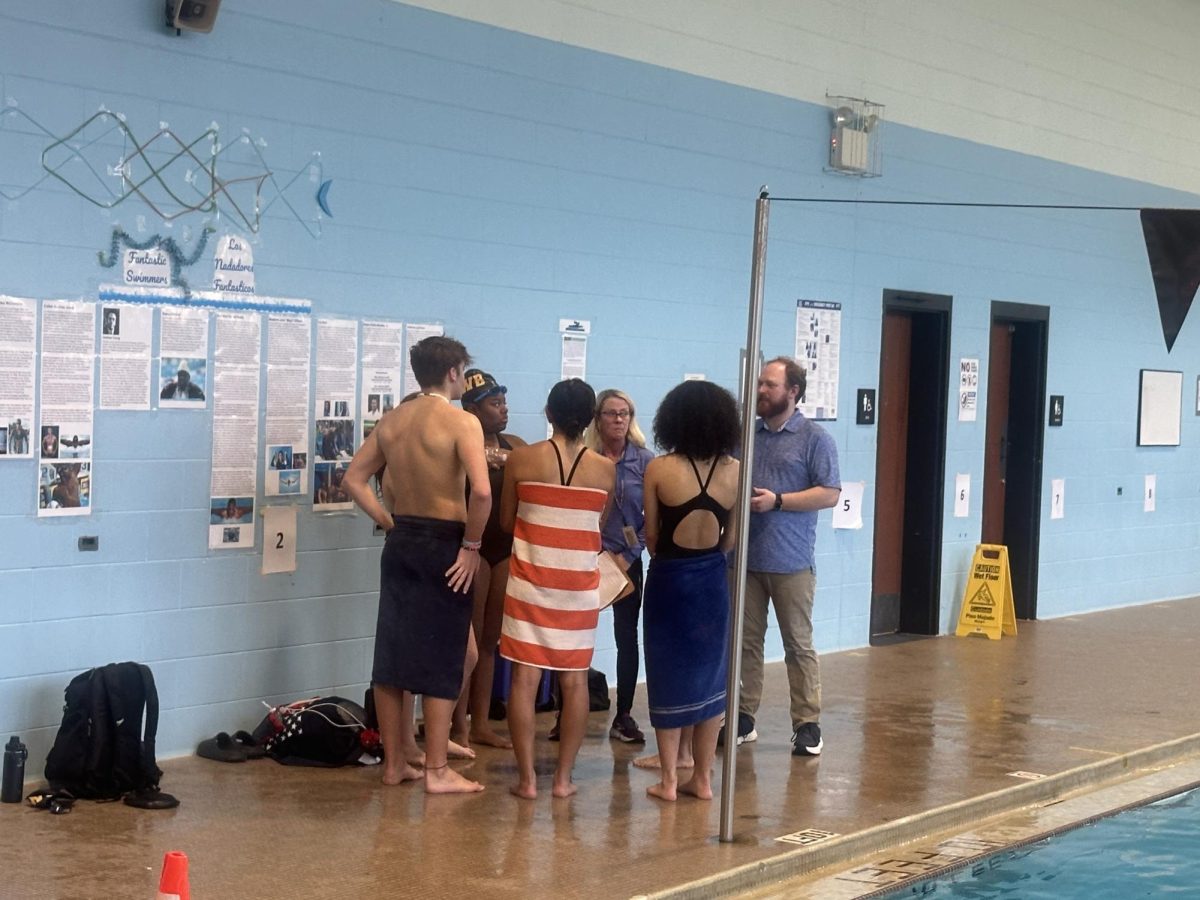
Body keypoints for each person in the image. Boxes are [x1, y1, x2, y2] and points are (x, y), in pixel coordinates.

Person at [343, 335, 491, 794]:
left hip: (403, 540)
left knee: (392, 657)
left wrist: (389, 521)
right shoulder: (461, 421)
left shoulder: (393, 420)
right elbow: (482, 493)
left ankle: (394, 766)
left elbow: (353, 479)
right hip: (445, 544)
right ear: (454, 373)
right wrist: (471, 546)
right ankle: (436, 770)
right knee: (445, 654)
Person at [499, 379, 615, 799]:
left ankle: (528, 780)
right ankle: (564, 780)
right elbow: (597, 527)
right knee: (575, 683)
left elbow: (504, 522)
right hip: (579, 588)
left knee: (524, 682)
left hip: (531, 584)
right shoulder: (604, 469)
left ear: (548, 413)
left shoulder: (522, 460)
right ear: (590, 420)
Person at [724, 357, 840, 756]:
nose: (761, 391)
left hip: (791, 564)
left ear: (792, 392)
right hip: (745, 562)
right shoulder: (746, 437)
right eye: (759, 384)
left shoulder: (814, 438)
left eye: (769, 386)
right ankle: (743, 717)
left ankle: (807, 725)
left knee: (798, 645)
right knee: (745, 643)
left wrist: (778, 502)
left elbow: (830, 493)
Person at [640, 381, 740, 800]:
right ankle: (702, 779)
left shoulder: (659, 469)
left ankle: (666, 780)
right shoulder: (736, 469)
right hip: (712, 580)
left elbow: (650, 537)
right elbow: (730, 540)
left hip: (670, 580)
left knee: (667, 675)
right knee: (710, 679)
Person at [453, 369, 527, 750]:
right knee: (467, 638)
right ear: (471, 409)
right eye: (494, 404)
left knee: (490, 640)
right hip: (473, 549)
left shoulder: (515, 445)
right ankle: (459, 725)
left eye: (504, 402)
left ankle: (480, 722)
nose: (503, 410)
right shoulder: (459, 443)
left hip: (505, 549)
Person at [584, 389, 654, 743]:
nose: (618, 420)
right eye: (611, 414)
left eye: (624, 413)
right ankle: (566, 712)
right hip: (590, 558)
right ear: (598, 419)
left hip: (627, 559)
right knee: (576, 635)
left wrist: (631, 554)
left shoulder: (644, 461)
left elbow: (652, 517)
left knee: (627, 639)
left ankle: (624, 715)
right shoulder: (587, 458)